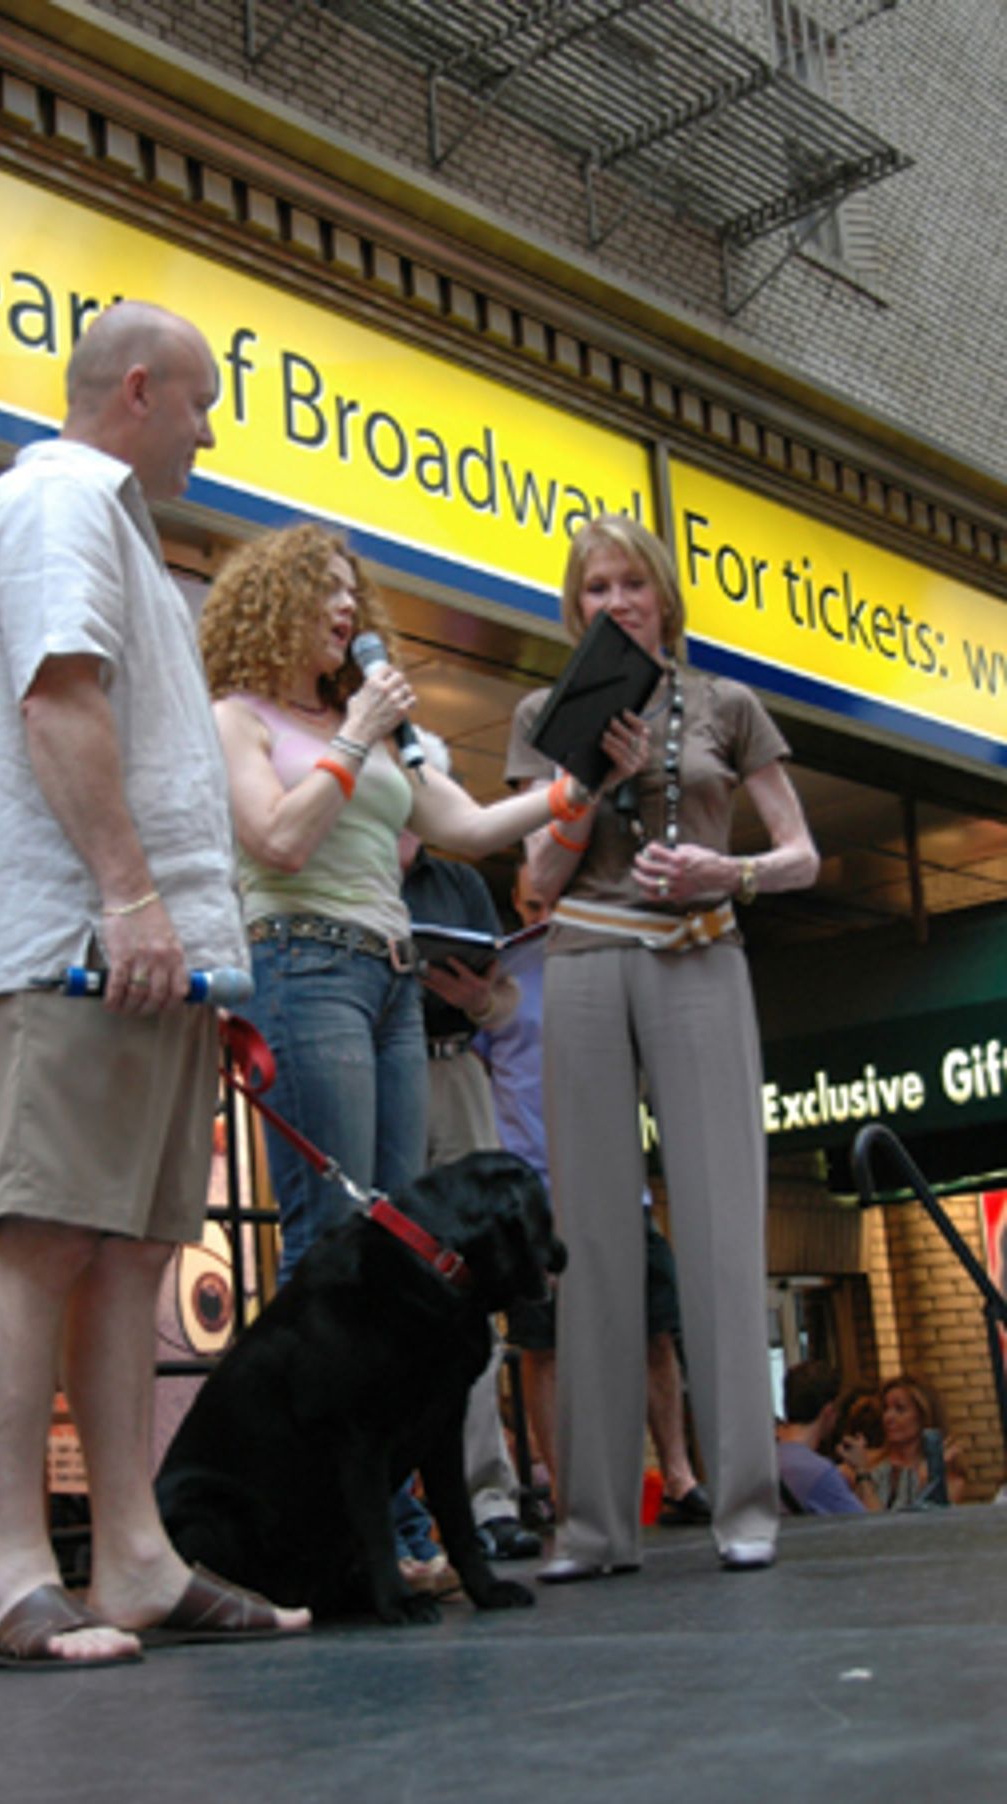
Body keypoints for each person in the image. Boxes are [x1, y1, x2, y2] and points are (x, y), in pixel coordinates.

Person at [0, 300, 310, 1669]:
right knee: (40, 1234)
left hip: (149, 958)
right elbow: (58, 699)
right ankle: (17, 1577)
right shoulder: (59, 499)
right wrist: (126, 896)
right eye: (205, 404)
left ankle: (136, 1560)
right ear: (141, 389)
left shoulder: (123, 534)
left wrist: (193, 945)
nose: (212, 433)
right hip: (70, 945)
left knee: (134, 1251)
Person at [198, 522, 582, 1587]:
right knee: (332, 1245)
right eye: (323, 592)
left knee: (403, 1252)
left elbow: (459, 825)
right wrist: (357, 733)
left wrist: (570, 789)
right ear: (271, 604)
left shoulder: (366, 729)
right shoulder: (240, 716)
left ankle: (396, 1528)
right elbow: (276, 837)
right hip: (303, 962)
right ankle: (345, 1535)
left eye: (350, 593)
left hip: (392, 979)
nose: (345, 611)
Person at [506, 512, 820, 1578]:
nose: (615, 603)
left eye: (632, 583)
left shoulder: (728, 704)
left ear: (663, 596)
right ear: (574, 605)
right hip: (588, 958)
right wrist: (587, 780)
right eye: (595, 588)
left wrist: (723, 873)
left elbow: (803, 855)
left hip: (701, 949)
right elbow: (535, 889)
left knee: (724, 1223)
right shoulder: (542, 714)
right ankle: (592, 1525)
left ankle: (745, 1501)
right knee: (590, 1236)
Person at [472, 860, 710, 1530]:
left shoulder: (613, 958)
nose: (542, 911)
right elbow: (482, 1068)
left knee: (655, 1329)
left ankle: (679, 1475)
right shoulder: (499, 974)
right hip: (534, 1186)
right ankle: (571, 1488)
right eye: (531, 901)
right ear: (518, 906)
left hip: (616, 1179)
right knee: (544, 1344)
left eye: (554, 898)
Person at [401, 811, 541, 1563]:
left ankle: (488, 1497)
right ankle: (402, 1510)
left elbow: (509, 1003)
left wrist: (478, 999)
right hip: (373, 1064)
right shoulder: (339, 855)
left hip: (453, 1064)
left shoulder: (458, 883)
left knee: (473, 1286)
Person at [840, 1374, 967, 1511]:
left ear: (923, 1416)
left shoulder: (949, 1478)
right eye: (886, 1409)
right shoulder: (867, 1462)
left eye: (900, 1409)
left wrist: (928, 1480)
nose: (888, 1417)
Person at [776, 1362, 867, 1515]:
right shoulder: (820, 1473)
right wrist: (862, 1473)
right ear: (828, 1412)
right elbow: (868, 1529)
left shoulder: (761, 1458)